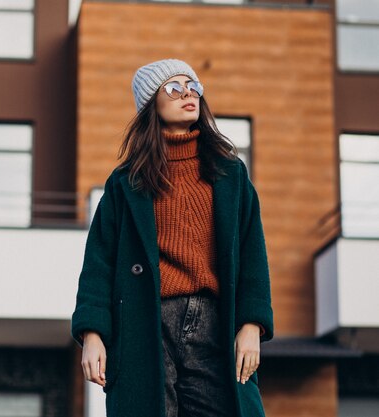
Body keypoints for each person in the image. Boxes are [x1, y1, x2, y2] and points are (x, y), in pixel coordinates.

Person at [71, 58, 274, 417]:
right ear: (152, 102)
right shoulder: (126, 183)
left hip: (214, 323)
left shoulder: (230, 174)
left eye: (193, 86)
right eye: (174, 87)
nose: (188, 93)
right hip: (145, 322)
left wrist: (252, 325)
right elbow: (98, 264)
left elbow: (252, 253)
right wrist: (92, 335)